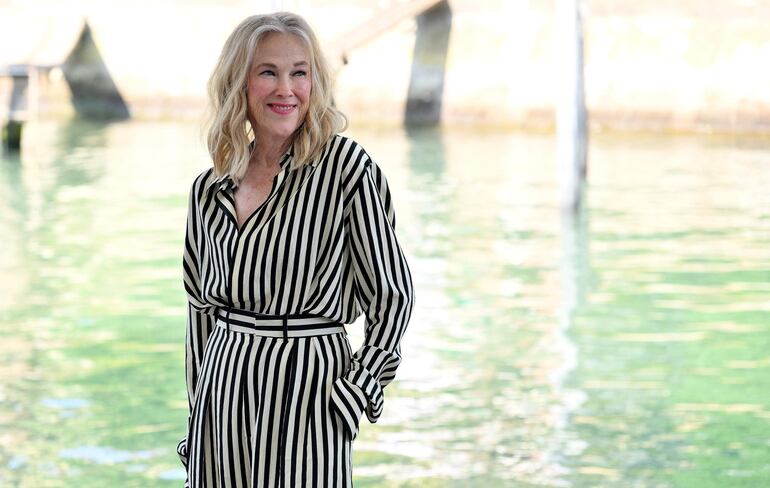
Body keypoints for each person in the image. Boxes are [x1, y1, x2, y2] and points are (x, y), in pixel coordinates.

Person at [175, 12, 415, 488]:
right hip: (221, 401)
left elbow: (392, 296)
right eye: (268, 72)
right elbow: (200, 314)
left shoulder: (347, 169)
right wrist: (195, 412)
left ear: (314, 83)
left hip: (310, 398)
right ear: (239, 84)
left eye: (299, 73)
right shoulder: (209, 190)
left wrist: (357, 393)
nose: (286, 89)